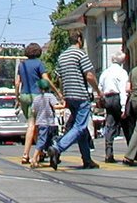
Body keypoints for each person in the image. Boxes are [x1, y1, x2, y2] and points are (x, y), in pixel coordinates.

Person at [46, 29, 102, 171]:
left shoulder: (62, 56)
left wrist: (63, 95)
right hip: (81, 95)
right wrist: (98, 91)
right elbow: (89, 76)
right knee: (81, 126)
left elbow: (58, 77)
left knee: (81, 130)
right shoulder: (80, 54)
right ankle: (57, 147)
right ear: (79, 40)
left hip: (69, 96)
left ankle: (87, 160)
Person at [15, 42, 47, 164]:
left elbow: (17, 82)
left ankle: (40, 151)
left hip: (24, 96)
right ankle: (26, 154)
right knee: (33, 125)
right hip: (36, 96)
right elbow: (45, 79)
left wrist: (17, 96)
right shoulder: (39, 64)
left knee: (32, 124)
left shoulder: (21, 65)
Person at [98, 51, 131, 163]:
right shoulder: (122, 72)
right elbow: (123, 90)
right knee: (126, 126)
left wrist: (101, 100)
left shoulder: (105, 72)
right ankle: (132, 153)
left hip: (108, 98)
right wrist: (123, 108)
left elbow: (100, 87)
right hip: (117, 98)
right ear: (122, 61)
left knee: (110, 126)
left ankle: (109, 153)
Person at [29, 78, 62, 168]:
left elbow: (33, 110)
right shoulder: (50, 96)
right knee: (47, 141)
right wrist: (63, 105)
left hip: (40, 123)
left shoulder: (36, 98)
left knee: (46, 142)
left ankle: (53, 159)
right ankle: (34, 159)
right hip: (50, 123)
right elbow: (55, 106)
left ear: (40, 89)